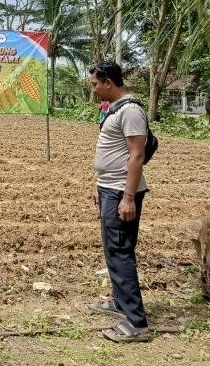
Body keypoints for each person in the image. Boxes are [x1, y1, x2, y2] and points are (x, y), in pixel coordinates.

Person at [88, 61, 151, 342]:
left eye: (95, 84)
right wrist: (98, 186)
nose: (94, 90)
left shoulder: (131, 111)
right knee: (114, 249)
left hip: (121, 192)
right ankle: (119, 301)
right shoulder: (115, 109)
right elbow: (111, 154)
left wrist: (127, 197)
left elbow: (136, 156)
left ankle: (137, 324)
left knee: (120, 251)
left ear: (108, 82)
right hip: (109, 188)